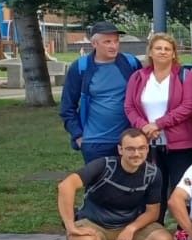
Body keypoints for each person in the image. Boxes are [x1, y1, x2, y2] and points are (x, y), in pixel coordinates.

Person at [58, 128, 169, 240]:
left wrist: (131, 229)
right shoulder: (103, 165)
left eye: (141, 148)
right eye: (130, 149)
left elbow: (153, 212)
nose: (136, 154)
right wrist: (70, 226)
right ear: (120, 149)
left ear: (147, 148)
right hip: (94, 222)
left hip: (128, 224)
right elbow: (65, 186)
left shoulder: (152, 173)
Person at [123, 33, 192, 240]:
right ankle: (154, 230)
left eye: (167, 48)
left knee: (179, 187)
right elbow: (129, 106)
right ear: (150, 52)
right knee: (153, 186)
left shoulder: (185, 76)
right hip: (147, 143)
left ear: (174, 53)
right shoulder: (138, 77)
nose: (163, 52)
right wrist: (144, 127)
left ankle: (184, 229)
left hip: (180, 144)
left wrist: (158, 124)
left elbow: (188, 107)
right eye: (158, 48)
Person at [61, 21, 142, 162]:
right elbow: (67, 106)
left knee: (129, 183)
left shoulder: (131, 63)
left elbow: (143, 97)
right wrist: (78, 136)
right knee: (97, 183)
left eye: (116, 41)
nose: (113, 46)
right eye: (107, 42)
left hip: (128, 140)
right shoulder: (81, 67)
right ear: (94, 44)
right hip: (95, 142)